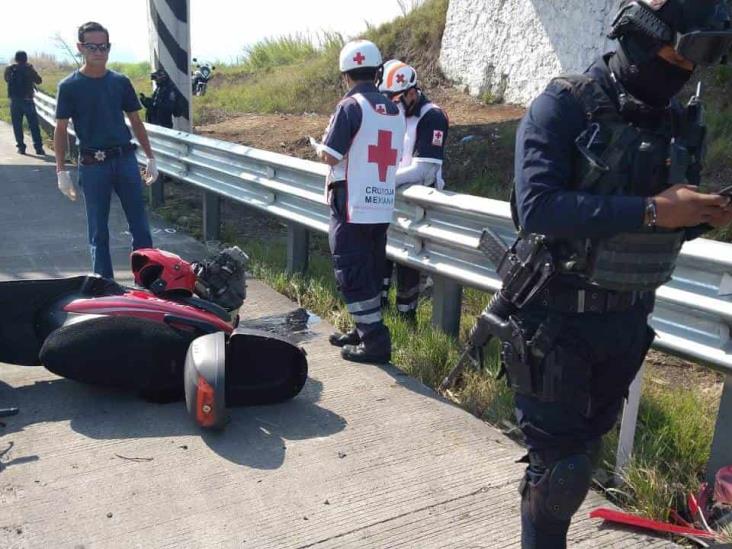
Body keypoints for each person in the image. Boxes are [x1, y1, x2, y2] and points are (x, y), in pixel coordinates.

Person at [475, 1, 732, 547]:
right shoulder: (564, 105)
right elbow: (537, 209)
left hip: (627, 322)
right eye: (682, 52)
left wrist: (700, 215)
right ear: (645, 35)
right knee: (561, 475)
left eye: (705, 57)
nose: (688, 70)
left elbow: (666, 225)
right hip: (555, 325)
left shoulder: (676, 123)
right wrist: (654, 211)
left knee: (580, 458)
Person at [312, 39, 405, 364]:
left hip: (350, 202)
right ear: (378, 72)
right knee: (370, 269)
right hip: (380, 203)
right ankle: (362, 328)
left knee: (350, 271)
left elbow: (331, 155)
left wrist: (320, 147)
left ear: (345, 76)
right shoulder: (395, 109)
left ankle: (375, 341)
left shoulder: (350, 107)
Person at [53, 21, 159, 280]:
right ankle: (104, 284)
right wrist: (61, 171)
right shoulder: (69, 86)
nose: (99, 52)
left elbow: (135, 121)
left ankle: (147, 280)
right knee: (98, 230)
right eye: (92, 46)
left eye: (104, 46)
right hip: (92, 164)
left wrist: (150, 157)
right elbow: (60, 128)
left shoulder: (120, 82)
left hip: (124, 159)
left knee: (141, 227)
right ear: (81, 47)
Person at [378, 59, 449, 321]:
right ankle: (381, 317)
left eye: (395, 99)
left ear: (410, 92)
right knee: (382, 261)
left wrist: (383, 181)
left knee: (408, 266)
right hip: (392, 198)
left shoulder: (432, 116)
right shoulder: (394, 113)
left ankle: (407, 322)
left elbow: (425, 170)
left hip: (418, 203)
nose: (392, 104)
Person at [3, 50, 44, 155]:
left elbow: (6, 79)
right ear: (26, 58)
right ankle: (38, 148)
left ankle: (21, 147)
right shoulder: (29, 69)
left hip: (15, 101)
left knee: (17, 125)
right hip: (28, 100)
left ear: (16, 59)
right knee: (34, 125)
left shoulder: (10, 69)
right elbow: (39, 80)